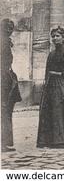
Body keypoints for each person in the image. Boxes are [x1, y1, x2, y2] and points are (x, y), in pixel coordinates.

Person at [36, 26, 64, 148]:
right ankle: (50, 140)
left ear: (63, 37)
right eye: (53, 36)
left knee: (61, 111)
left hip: (62, 85)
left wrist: (58, 74)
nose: (55, 38)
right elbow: (47, 71)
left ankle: (61, 140)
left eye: (57, 36)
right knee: (50, 111)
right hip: (50, 85)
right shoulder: (51, 54)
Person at [1, 19, 22, 153]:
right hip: (3, 81)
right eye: (6, 28)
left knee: (6, 112)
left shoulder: (5, 41)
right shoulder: (3, 43)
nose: (9, 30)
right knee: (5, 112)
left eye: (11, 28)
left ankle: (5, 143)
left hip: (6, 79)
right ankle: (4, 144)